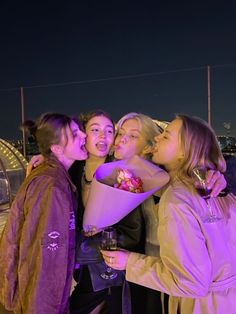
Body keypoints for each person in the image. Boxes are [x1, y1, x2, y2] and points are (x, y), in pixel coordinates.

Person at [101, 114, 236, 314]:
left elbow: (191, 281)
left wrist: (130, 262)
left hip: (182, 292)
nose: (121, 138)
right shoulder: (185, 185)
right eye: (120, 132)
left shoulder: (178, 189)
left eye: (165, 136)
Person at [0, 112, 88, 314]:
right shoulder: (52, 186)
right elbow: (45, 261)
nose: (83, 135)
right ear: (56, 148)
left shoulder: (52, 175)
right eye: (75, 134)